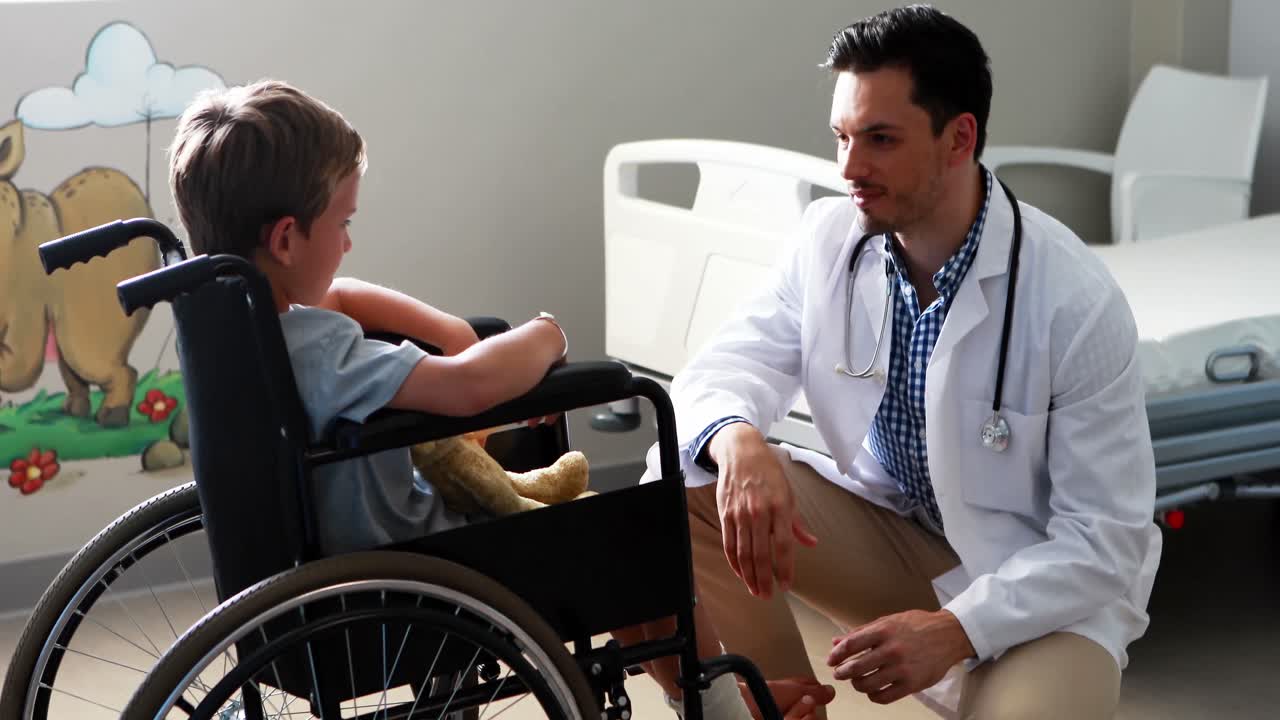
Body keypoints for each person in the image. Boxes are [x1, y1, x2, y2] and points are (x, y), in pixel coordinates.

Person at [167, 79, 830, 720]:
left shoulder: (244, 319)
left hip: (321, 565)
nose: (348, 243)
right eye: (343, 224)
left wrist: (450, 333)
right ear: (285, 239)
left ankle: (704, 696)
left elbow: (340, 295)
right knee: (627, 535)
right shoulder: (326, 354)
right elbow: (470, 388)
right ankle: (714, 708)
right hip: (409, 564)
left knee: (594, 524)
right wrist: (547, 336)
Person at [649, 5, 1162, 718]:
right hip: (893, 539)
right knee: (685, 493)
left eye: (880, 140)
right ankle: (773, 711)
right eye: (843, 137)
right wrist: (738, 440)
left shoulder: (1072, 301)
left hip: (1044, 596)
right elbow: (725, 366)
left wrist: (959, 629)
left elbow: (1105, 540)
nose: (850, 168)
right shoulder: (830, 239)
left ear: (959, 139)